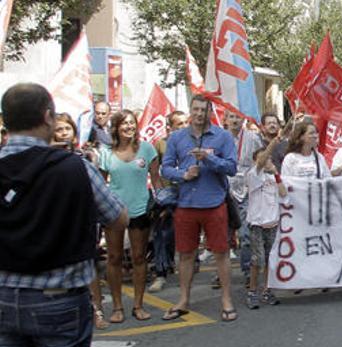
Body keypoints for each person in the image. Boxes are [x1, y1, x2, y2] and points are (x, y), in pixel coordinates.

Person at [0, 82, 128, 347]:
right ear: (46, 117)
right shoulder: (73, 167)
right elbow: (117, 216)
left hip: (3, 298)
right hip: (60, 301)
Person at [161, 94, 238, 322]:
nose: (198, 114)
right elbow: (165, 168)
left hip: (214, 202)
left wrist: (208, 159)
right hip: (186, 203)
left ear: (209, 112)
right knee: (185, 254)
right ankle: (183, 299)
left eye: (202, 110)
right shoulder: (176, 138)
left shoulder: (222, 137)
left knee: (221, 254)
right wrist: (182, 175)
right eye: (194, 109)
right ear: (190, 110)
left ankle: (226, 299)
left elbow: (232, 167)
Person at [99, 110, 160, 323]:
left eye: (132, 123)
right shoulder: (105, 152)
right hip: (114, 211)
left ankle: (138, 305)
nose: (128, 127)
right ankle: (117, 307)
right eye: (124, 123)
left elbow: (157, 180)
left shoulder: (147, 149)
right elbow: (100, 184)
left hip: (140, 209)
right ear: (115, 127)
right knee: (114, 257)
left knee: (139, 257)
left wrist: (162, 203)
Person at [51, 113, 111, 330]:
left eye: (67, 128)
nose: (64, 133)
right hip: (56, 226)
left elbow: (107, 203)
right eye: (59, 129)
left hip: (81, 222)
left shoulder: (84, 159)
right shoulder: (43, 160)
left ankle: (96, 309)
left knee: (88, 264)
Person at [149, 110, 188, 293]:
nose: (183, 126)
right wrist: (160, 194)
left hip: (188, 194)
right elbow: (155, 173)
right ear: (170, 127)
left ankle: (188, 268)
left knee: (184, 234)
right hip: (168, 195)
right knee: (162, 233)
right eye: (178, 123)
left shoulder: (193, 142)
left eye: (185, 122)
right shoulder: (161, 144)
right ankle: (161, 272)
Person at [245, 142, 287, 309]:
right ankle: (252, 291)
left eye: (270, 158)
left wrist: (276, 174)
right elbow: (261, 162)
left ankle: (266, 290)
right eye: (264, 158)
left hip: (272, 224)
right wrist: (273, 142)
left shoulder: (272, 177)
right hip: (257, 224)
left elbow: (283, 193)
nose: (268, 160)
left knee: (269, 258)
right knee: (258, 259)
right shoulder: (253, 175)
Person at [224, 111, 262, 286]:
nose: (234, 120)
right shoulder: (221, 138)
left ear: (243, 119)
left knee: (246, 235)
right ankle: (221, 273)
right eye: (231, 117)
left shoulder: (252, 138)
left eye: (238, 117)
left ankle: (247, 270)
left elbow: (258, 162)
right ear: (225, 119)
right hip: (225, 190)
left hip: (246, 189)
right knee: (223, 236)